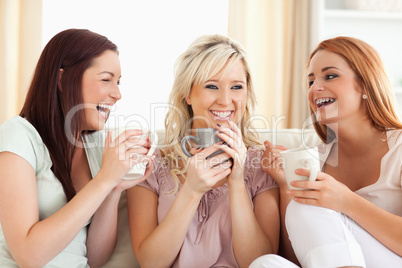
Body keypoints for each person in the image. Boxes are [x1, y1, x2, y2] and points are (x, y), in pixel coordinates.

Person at [0, 29, 154, 267]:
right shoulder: (19, 135)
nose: (118, 94)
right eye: (106, 79)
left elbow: (94, 258)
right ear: (62, 80)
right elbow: (28, 256)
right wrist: (103, 180)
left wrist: (113, 189)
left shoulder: (95, 145)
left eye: (119, 82)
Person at [126, 34, 280, 267]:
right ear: (188, 94)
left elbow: (260, 262)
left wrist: (237, 181)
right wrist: (191, 190)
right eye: (212, 86)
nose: (225, 100)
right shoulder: (151, 166)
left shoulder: (263, 165)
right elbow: (151, 262)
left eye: (236, 87)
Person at [252, 36, 402, 268]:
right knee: (266, 263)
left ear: (364, 84)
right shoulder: (315, 159)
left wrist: (347, 201)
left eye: (330, 75)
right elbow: (302, 258)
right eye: (311, 81)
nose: (315, 88)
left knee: (308, 203)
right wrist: (285, 185)